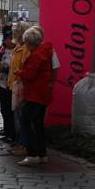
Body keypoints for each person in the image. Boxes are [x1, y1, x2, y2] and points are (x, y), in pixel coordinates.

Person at [16, 27, 55, 166]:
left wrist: (19, 72)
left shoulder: (36, 55)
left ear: (30, 43)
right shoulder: (45, 51)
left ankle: (32, 154)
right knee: (38, 125)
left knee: (25, 121)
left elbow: (30, 75)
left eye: (26, 42)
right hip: (44, 93)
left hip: (35, 94)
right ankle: (42, 153)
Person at [8, 22, 31, 157]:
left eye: (15, 31)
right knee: (17, 116)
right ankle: (20, 143)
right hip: (14, 86)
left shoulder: (26, 49)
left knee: (21, 118)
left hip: (21, 88)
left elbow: (24, 68)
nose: (13, 33)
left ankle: (23, 145)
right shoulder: (18, 47)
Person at [0, 31, 16, 142]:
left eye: (11, 39)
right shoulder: (2, 49)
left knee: (12, 111)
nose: (8, 41)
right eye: (8, 39)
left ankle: (13, 134)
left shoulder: (18, 50)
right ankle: (7, 132)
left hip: (13, 85)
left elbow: (16, 68)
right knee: (4, 109)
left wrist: (5, 69)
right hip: (2, 84)